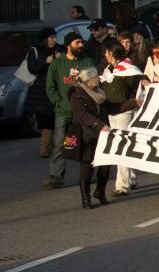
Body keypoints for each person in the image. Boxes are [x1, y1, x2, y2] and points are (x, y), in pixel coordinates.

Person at [65, 66, 132, 208]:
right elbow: (82, 115)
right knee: (87, 167)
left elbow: (113, 108)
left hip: (102, 135)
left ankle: (100, 192)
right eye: (96, 77)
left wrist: (132, 103)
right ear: (89, 80)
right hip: (87, 136)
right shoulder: (77, 95)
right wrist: (100, 124)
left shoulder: (99, 93)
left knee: (106, 165)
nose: (98, 78)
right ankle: (86, 198)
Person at [43, 32, 94, 189]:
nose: (81, 45)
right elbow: (50, 87)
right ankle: (56, 177)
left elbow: (94, 83)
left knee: (87, 143)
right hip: (63, 112)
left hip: (84, 112)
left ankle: (88, 175)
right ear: (68, 45)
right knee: (59, 144)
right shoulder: (57, 64)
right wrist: (59, 102)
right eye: (77, 42)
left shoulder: (87, 61)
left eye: (81, 42)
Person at [100, 40, 143, 197]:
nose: (104, 55)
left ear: (112, 53)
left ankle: (122, 185)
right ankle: (131, 178)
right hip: (112, 112)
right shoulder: (109, 69)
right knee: (122, 145)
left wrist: (132, 103)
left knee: (121, 147)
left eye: (106, 52)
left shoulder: (128, 69)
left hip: (124, 112)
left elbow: (138, 86)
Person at [24, 28, 59, 158]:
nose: (54, 40)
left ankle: (46, 148)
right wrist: (45, 62)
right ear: (45, 39)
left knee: (51, 118)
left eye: (55, 37)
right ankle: (47, 146)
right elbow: (32, 68)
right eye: (51, 38)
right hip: (39, 91)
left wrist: (59, 59)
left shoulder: (58, 49)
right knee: (43, 119)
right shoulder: (35, 50)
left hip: (54, 88)